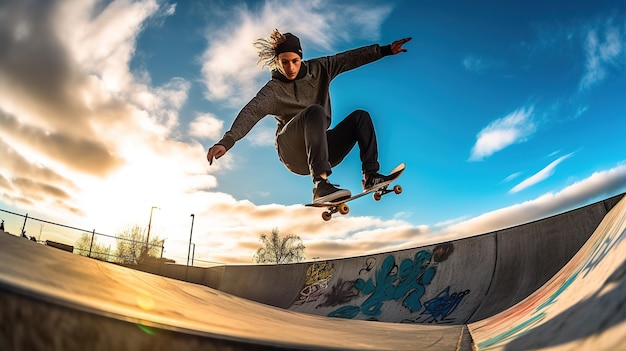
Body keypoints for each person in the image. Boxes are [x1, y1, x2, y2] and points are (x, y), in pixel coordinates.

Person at [207, 29, 411, 203]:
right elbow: (251, 111)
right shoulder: (273, 90)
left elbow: (349, 59)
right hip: (293, 152)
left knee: (361, 117)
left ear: (301, 57)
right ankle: (321, 185)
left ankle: (370, 176)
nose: (290, 68)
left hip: (320, 148)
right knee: (315, 111)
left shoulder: (320, 68)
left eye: (295, 61)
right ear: (277, 62)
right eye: (284, 62)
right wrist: (227, 141)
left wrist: (384, 51)